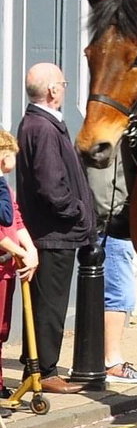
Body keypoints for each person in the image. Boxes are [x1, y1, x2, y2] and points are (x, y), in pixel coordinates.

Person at [14, 65, 96, 393]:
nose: (64, 87)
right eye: (63, 83)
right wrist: (76, 212)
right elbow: (51, 186)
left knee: (44, 303)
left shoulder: (37, 123)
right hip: (54, 233)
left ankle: (36, 367)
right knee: (51, 304)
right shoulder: (44, 127)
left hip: (50, 232)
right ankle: (45, 372)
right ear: (52, 91)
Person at [87, 151, 137, 382]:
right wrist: (112, 218)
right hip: (112, 229)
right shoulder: (110, 142)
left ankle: (105, 359)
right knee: (119, 296)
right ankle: (111, 362)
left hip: (115, 228)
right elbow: (101, 185)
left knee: (117, 296)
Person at [0, 128, 39, 398]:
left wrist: (31, 249)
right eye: (13, 155)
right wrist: (18, 251)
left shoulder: (5, 187)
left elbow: (16, 218)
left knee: (2, 330)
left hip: (7, 268)